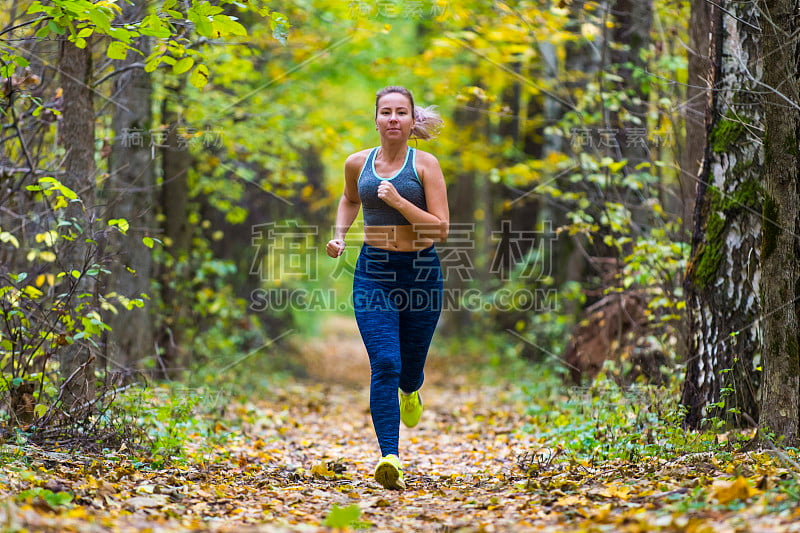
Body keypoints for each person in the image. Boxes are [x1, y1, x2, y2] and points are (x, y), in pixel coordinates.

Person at [326, 86, 449, 490]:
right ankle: (390, 457)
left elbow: (441, 228)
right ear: (375, 119)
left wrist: (398, 201)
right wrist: (340, 236)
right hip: (374, 271)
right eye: (386, 112)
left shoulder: (426, 165)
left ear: (413, 121)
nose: (393, 118)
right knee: (385, 363)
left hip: (422, 274)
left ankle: (412, 390)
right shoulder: (357, 163)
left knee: (409, 368)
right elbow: (349, 199)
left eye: (401, 112)